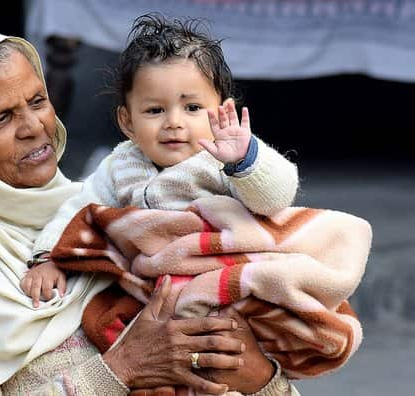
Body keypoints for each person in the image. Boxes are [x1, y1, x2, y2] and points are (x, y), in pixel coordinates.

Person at [0, 30, 297, 395]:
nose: (34, 126)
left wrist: (262, 378)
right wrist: (121, 367)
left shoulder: (107, 217)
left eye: (37, 101)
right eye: (2, 118)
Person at [24, 15, 298, 309]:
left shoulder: (226, 158)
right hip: (154, 292)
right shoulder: (120, 166)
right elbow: (77, 212)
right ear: (127, 121)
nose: (174, 123)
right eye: (155, 110)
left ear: (221, 111)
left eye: (192, 107)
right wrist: (50, 258)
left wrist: (246, 161)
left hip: (226, 279)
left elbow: (275, 200)